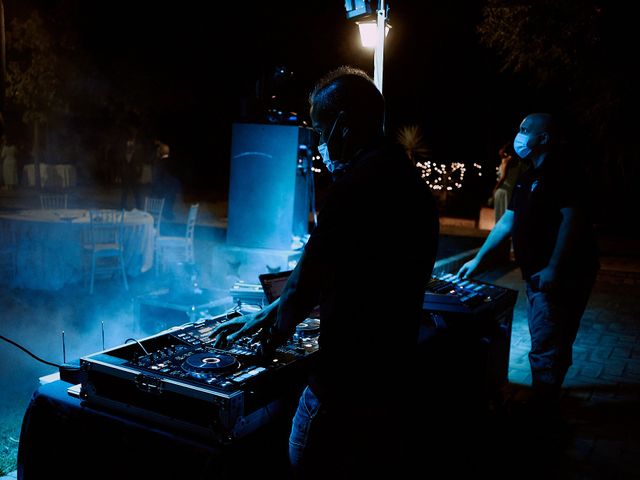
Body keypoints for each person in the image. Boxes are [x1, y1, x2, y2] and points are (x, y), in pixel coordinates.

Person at [210, 66, 439, 478]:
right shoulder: (410, 181)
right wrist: (266, 313)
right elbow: (345, 271)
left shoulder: (355, 186)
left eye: (319, 131)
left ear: (344, 125)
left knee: (307, 457)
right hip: (392, 367)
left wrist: (267, 341)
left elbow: (311, 277)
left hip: (346, 377)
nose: (318, 143)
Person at [458, 113, 599, 417]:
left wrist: (554, 268)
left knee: (547, 339)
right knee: (551, 336)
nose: (518, 135)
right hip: (538, 274)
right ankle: (548, 394)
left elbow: (572, 221)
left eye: (525, 130)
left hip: (558, 275)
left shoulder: (564, 171)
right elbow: (507, 222)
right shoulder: (528, 174)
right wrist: (477, 259)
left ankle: (543, 410)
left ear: (544, 138)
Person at [151, 142, 180, 221]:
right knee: (169, 204)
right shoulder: (173, 161)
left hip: (164, 188)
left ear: (160, 152)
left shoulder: (160, 163)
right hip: (172, 188)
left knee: (164, 206)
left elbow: (157, 176)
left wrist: (155, 188)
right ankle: (169, 217)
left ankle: (166, 219)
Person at [120, 130, 143, 210]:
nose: (130, 147)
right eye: (129, 146)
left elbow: (139, 165)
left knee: (136, 192)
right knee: (125, 192)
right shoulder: (125, 154)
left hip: (133, 176)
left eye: (131, 146)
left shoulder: (135, 155)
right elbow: (122, 165)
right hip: (127, 176)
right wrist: (121, 175)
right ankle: (122, 206)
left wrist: (139, 174)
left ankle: (139, 207)